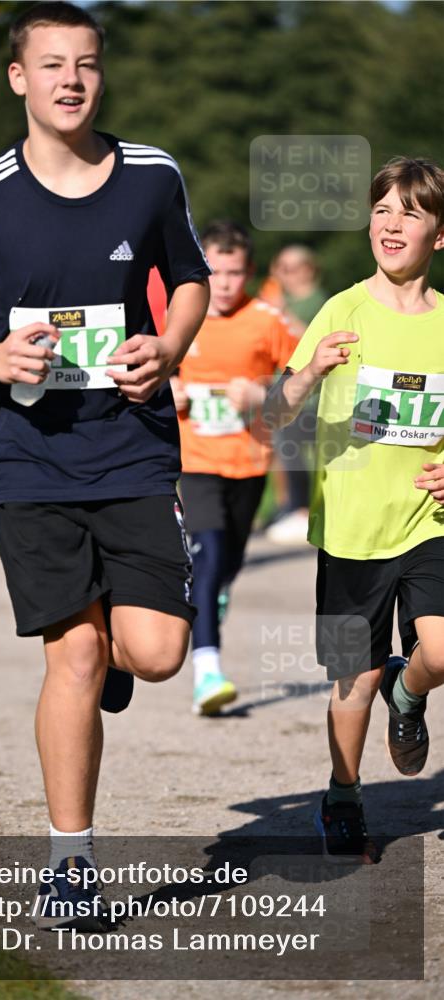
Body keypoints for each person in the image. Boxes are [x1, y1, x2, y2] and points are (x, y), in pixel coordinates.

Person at [0, 2, 210, 926]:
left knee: (157, 652)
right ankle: (71, 866)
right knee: (71, 653)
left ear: (101, 74)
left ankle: (117, 649)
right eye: (53, 64)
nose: (72, 80)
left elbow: (189, 278)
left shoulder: (151, 177)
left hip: (132, 444)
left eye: (87, 63)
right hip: (27, 457)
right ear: (18, 78)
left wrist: (169, 347)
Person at [264, 156, 444, 863]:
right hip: (349, 530)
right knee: (352, 679)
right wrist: (309, 371)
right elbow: (274, 414)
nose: (391, 224)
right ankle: (342, 795)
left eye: (410, 212)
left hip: (428, 520)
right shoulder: (341, 309)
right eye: (381, 210)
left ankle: (409, 691)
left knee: (439, 653)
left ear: (439, 234)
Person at [171, 222, 298, 714]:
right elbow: (144, 369)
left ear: (250, 273)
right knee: (206, 556)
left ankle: (216, 593)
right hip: (196, 460)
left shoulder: (267, 320)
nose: (223, 283)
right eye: (215, 272)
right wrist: (167, 391)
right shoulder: (179, 313)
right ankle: (207, 671)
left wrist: (263, 393)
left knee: (228, 564)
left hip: (249, 463)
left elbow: (308, 382)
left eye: (234, 273)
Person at [263, 246, 328, 545]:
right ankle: (290, 507)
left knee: (303, 454)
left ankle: (303, 510)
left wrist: (282, 311)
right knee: (283, 450)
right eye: (280, 268)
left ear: (308, 269)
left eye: (291, 268)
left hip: (313, 397)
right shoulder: (280, 299)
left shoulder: (319, 302)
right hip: (283, 392)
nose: (284, 274)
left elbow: (314, 341)